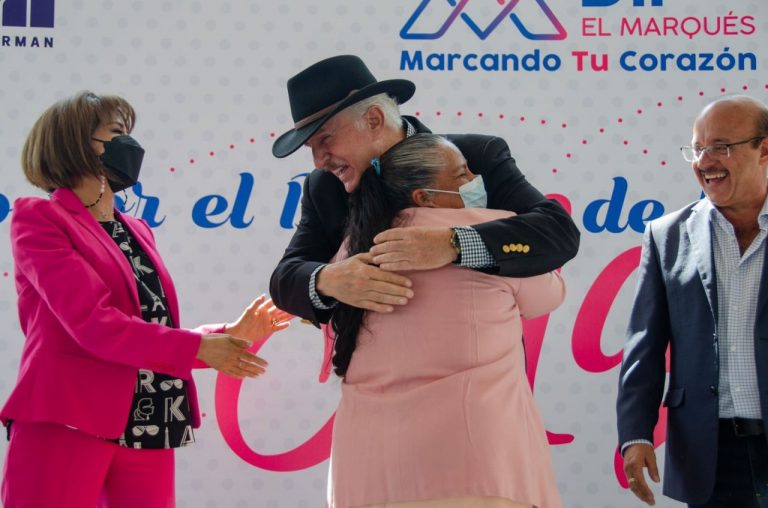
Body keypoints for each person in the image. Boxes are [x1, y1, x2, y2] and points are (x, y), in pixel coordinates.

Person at [0, 91, 292, 508]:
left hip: (152, 417)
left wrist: (225, 335)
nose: (129, 143)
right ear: (77, 142)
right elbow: (93, 323)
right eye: (116, 131)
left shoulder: (136, 229)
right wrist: (199, 348)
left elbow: (148, 330)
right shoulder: (40, 218)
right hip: (69, 416)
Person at [327, 134, 565, 508]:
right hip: (476, 459)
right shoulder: (492, 230)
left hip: (368, 467)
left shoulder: (353, 249)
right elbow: (548, 295)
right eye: (461, 174)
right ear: (425, 196)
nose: (475, 180)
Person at [269, 55, 579, 325]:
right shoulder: (323, 187)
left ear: (374, 119)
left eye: (325, 140)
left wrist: (453, 244)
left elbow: (558, 231)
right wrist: (329, 279)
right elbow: (285, 278)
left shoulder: (478, 155)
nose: (319, 161)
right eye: (311, 148)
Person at [616, 95, 768, 507]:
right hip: (709, 454)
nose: (704, 161)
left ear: (764, 149)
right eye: (697, 148)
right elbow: (644, 347)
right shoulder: (666, 235)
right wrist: (636, 434)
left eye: (720, 147)